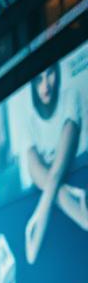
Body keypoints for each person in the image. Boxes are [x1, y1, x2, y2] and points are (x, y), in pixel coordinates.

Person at [23, 63, 88, 264]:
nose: (46, 86)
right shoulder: (29, 122)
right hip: (60, 196)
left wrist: (36, 219)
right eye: (39, 80)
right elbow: (38, 173)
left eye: (49, 74)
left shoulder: (71, 97)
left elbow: (55, 174)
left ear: (57, 74)